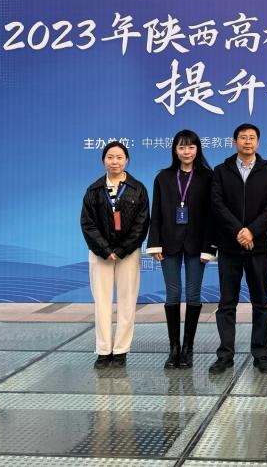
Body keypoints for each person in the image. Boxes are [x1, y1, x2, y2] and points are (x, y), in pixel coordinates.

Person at [209, 123, 267, 375]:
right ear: (234, 142)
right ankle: (225, 355)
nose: (247, 142)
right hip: (229, 246)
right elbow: (217, 204)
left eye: (252, 138)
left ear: (258, 142)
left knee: (260, 302)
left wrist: (252, 231)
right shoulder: (221, 170)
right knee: (227, 302)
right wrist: (239, 231)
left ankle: (261, 354)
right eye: (243, 137)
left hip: (258, 246)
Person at [147, 130, 215, 369]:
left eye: (191, 147)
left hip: (197, 244)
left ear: (198, 149)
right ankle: (173, 349)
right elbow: (156, 213)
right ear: (175, 150)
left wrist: (209, 248)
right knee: (173, 294)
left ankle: (188, 348)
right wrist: (154, 243)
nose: (187, 152)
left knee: (194, 295)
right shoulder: (163, 178)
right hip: (168, 244)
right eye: (182, 147)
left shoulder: (208, 177)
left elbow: (212, 215)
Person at [80, 141, 149, 368]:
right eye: (110, 157)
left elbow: (141, 224)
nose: (115, 162)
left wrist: (121, 250)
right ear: (103, 160)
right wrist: (105, 250)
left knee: (127, 302)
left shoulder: (137, 189)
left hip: (128, 254)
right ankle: (103, 350)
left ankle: (120, 351)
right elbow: (87, 224)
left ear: (126, 160)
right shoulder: (93, 190)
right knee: (102, 302)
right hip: (100, 255)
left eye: (119, 157)